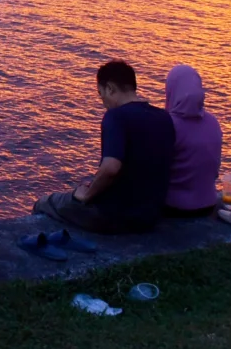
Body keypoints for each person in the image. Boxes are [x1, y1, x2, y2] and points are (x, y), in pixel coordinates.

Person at [36, 61, 175, 233]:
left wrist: (87, 194)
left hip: (115, 217)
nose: (103, 102)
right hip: (150, 215)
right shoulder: (164, 118)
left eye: (101, 94)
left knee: (46, 202)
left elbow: (110, 168)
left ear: (110, 88)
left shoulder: (116, 117)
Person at [162, 64, 222, 217]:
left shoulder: (167, 124)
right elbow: (215, 168)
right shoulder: (213, 122)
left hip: (174, 206)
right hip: (208, 202)